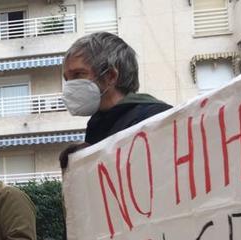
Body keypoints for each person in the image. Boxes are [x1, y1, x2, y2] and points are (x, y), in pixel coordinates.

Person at [60, 32, 172, 167]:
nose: (70, 86)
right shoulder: (96, 125)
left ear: (110, 76)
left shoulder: (156, 118)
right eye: (67, 79)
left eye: (78, 74)